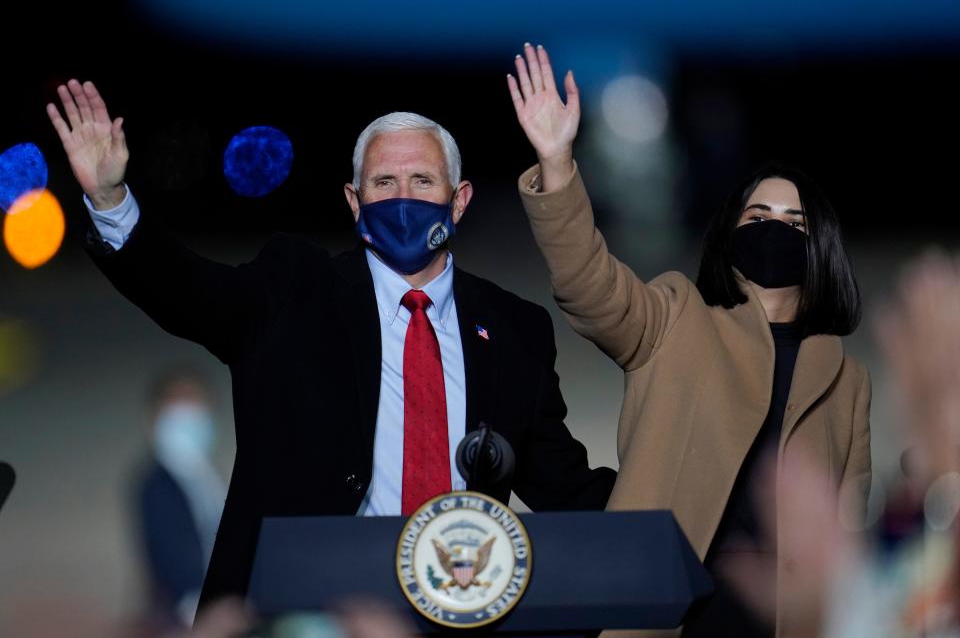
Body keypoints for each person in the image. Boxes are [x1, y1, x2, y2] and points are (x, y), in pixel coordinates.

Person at [46, 79, 615, 610]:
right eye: (383, 183)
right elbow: (188, 292)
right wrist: (112, 198)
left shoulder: (515, 327)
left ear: (459, 199)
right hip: (313, 609)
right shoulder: (296, 289)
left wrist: (691, 508)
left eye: (422, 181)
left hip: (462, 603)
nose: (402, 199)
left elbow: (563, 483)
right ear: (353, 200)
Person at [507, 43, 871, 637]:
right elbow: (588, 282)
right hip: (669, 613)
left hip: (786, 620)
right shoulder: (677, 318)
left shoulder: (846, 377)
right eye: (757, 217)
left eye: (793, 221)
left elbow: (847, 528)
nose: (773, 229)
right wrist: (556, 163)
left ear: (821, 243)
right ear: (729, 235)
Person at [133, 368, 227, 627]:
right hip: (190, 615)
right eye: (177, 405)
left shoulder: (208, 478)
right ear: (153, 419)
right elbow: (171, 555)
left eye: (195, 403)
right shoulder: (156, 485)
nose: (188, 417)